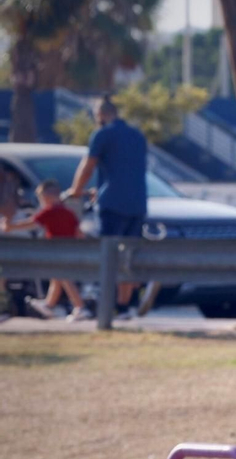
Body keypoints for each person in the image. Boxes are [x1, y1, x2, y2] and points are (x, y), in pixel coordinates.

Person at [65, 96, 151, 314]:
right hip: (138, 204)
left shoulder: (102, 134)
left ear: (101, 114)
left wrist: (75, 190)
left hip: (113, 204)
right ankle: (124, 308)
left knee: (108, 255)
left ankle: (104, 307)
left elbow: (88, 165)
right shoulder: (137, 136)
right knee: (128, 256)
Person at [3, 180, 91, 320]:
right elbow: (79, 233)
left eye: (41, 198)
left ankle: (80, 307)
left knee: (64, 278)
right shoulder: (68, 212)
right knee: (57, 278)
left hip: (56, 251)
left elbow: (31, 223)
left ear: (47, 196)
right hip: (70, 250)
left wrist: (11, 227)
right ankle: (49, 305)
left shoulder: (49, 211)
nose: (41, 202)